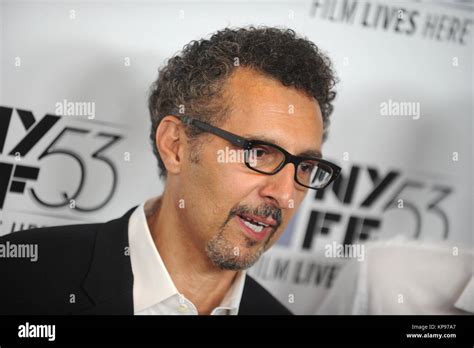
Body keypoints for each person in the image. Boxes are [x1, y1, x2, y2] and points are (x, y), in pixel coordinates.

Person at [0, 26, 339, 315]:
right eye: (260, 152)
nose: (283, 194)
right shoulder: (21, 276)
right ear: (176, 145)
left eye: (306, 166)